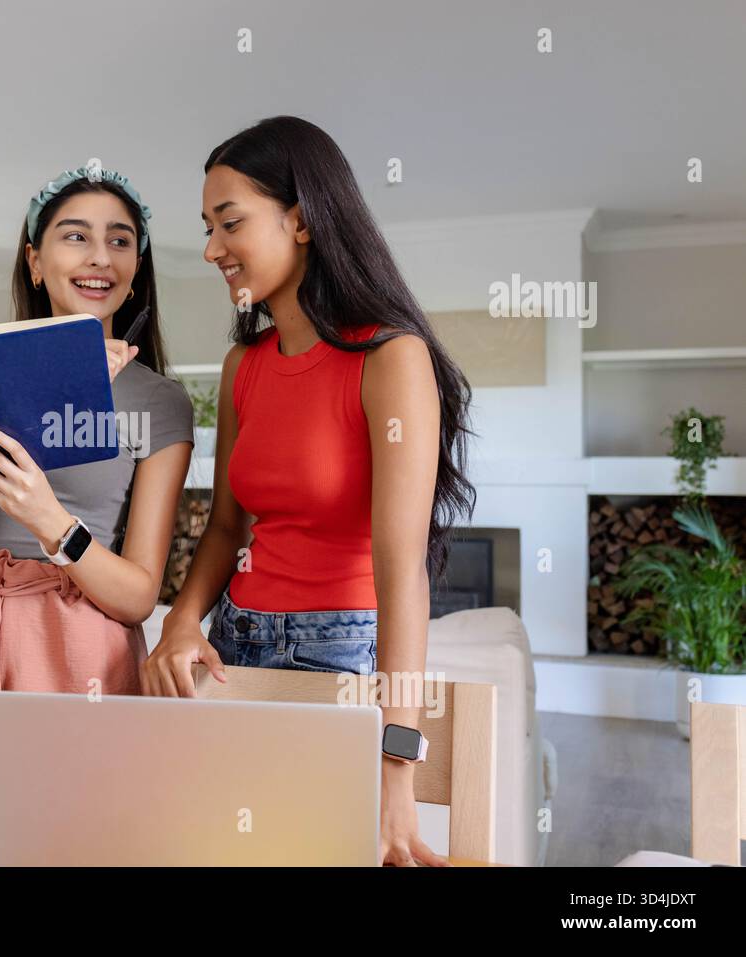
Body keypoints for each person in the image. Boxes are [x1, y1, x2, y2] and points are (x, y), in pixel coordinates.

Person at [141, 116, 477, 867]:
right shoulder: (244, 367)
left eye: (230, 223)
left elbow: (402, 572)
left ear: (301, 219)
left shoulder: (391, 358)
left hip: (343, 657)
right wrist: (181, 621)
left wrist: (397, 771)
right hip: (234, 647)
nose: (210, 249)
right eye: (207, 226)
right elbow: (226, 527)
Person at [0, 164, 195, 783]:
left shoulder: (158, 403)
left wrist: (51, 522)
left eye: (120, 240)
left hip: (83, 648)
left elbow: (139, 595)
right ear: (36, 262)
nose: (101, 257)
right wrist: (34, 402)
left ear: (135, 268)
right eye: (76, 236)